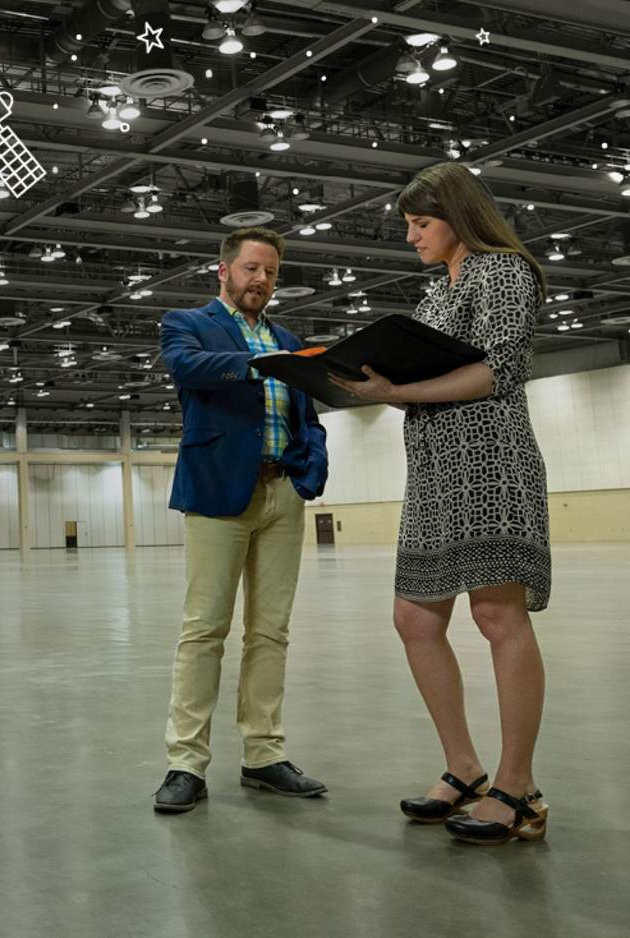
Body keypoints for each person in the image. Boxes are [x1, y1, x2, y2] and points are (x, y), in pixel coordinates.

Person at [330, 163, 550, 846]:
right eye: (408, 224)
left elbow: (497, 370)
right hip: (432, 470)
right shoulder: (435, 293)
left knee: (496, 614)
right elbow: (427, 375)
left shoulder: (502, 272)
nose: (412, 236)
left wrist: (398, 393)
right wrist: (374, 383)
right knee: (413, 619)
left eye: (421, 222)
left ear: (459, 215)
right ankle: (465, 768)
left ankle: (518, 787)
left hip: (491, 464)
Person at [154, 227, 329, 812]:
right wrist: (260, 364)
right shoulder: (187, 323)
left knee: (271, 630)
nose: (262, 280)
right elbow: (187, 368)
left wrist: (310, 470)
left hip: (283, 492)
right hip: (217, 493)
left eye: (271, 272)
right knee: (204, 630)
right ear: (224, 270)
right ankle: (186, 763)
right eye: (252, 268)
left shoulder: (288, 339)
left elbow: (308, 416)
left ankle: (263, 754)